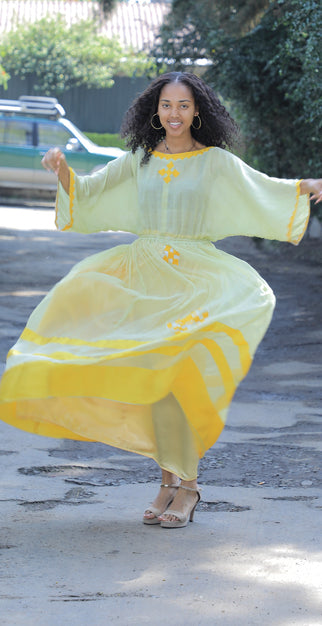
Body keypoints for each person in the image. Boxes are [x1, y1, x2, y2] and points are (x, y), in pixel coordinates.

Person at [0, 72, 321, 529]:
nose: (175, 114)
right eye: (167, 105)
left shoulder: (215, 162)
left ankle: (187, 488)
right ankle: (167, 483)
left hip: (195, 282)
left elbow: (260, 187)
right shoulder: (138, 159)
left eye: (184, 106)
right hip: (143, 280)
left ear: (198, 112)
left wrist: (302, 187)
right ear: (155, 110)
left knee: (178, 384)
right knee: (152, 385)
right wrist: (62, 171)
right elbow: (89, 192)